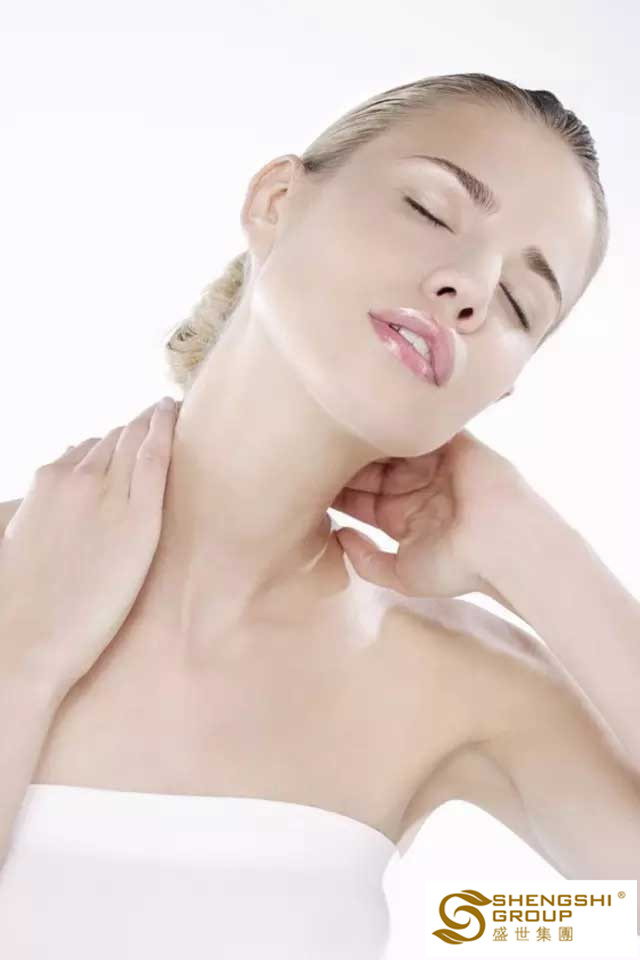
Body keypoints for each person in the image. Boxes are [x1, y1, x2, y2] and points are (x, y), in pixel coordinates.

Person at [0, 71, 638, 957]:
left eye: (520, 305)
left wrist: (538, 552)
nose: (470, 287)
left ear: (503, 387)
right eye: (430, 208)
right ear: (276, 200)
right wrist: (21, 664)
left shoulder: (465, 681)